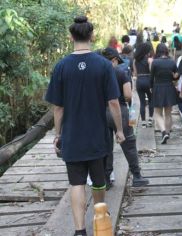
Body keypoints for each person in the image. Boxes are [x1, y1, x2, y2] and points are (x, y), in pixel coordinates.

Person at [45, 16, 125, 236]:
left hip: (72, 135)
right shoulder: (103, 65)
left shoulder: (61, 66)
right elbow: (113, 102)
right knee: (99, 181)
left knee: (76, 182)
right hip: (97, 133)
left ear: (71, 36)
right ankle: (101, 219)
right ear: (92, 36)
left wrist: (57, 134)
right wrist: (119, 129)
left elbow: (58, 108)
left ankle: (80, 230)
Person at [100, 47, 149, 188]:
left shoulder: (97, 73)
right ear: (114, 60)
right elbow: (128, 95)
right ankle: (137, 176)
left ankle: (106, 179)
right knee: (129, 144)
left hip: (101, 112)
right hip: (119, 110)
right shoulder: (121, 73)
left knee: (106, 146)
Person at [150, 43, 179, 144]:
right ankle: (167, 132)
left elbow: (151, 77)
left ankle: (163, 132)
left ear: (157, 51)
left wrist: (150, 88)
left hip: (158, 88)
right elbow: (176, 76)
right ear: (166, 51)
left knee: (157, 113)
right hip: (169, 88)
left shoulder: (155, 62)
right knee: (168, 113)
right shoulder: (172, 62)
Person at [133, 43, 154, 127]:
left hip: (139, 81)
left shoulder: (135, 60)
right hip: (148, 80)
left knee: (142, 102)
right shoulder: (149, 60)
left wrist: (134, 86)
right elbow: (151, 71)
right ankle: (150, 119)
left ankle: (143, 122)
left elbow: (135, 73)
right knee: (151, 100)